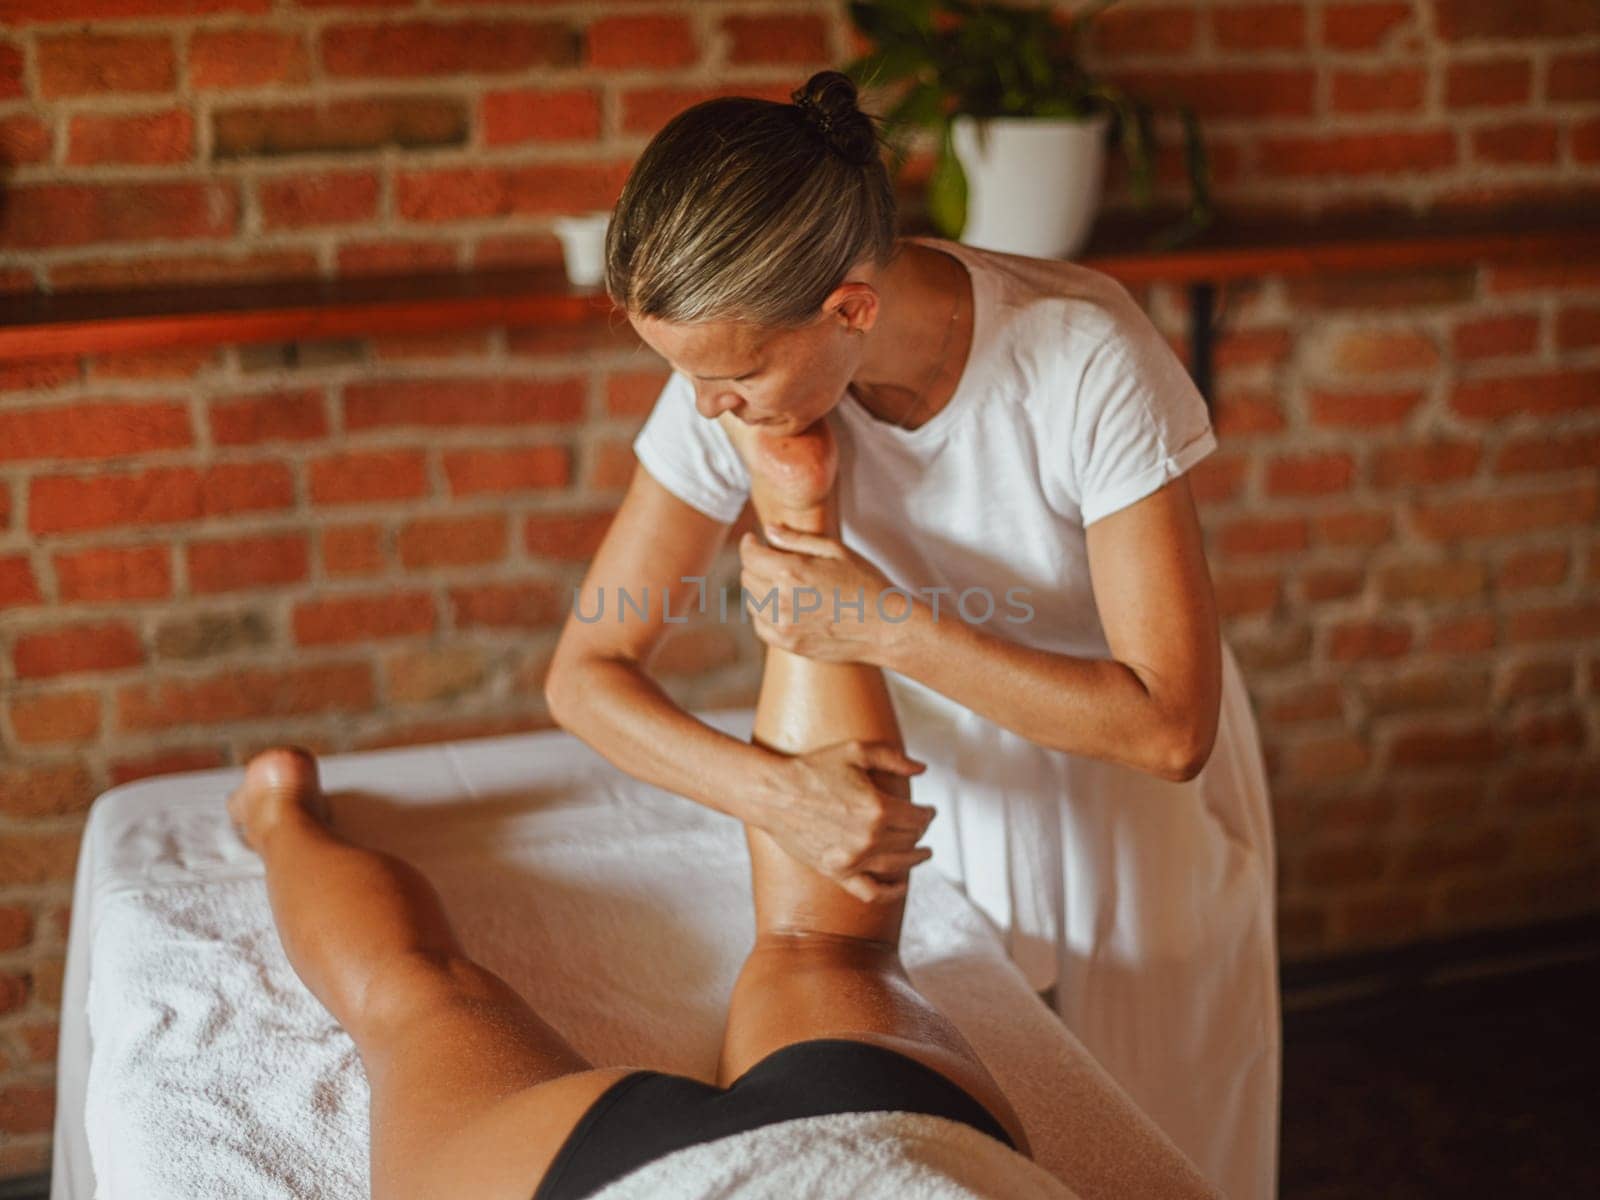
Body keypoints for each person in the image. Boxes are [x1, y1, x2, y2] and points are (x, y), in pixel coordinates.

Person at [544, 70, 1280, 1200]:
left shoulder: (1083, 360)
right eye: (681, 375)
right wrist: (777, 794)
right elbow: (587, 674)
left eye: (730, 378)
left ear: (849, 308)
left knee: (1156, 1157)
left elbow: (1168, 725)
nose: (704, 411)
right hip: (929, 809)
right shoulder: (734, 368)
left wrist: (882, 627)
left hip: (1128, 826)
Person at [224, 416, 1102, 1199]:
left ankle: (280, 815)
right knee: (421, 995)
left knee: (427, 998)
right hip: (840, 1151)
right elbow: (582, 680)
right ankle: (280, 813)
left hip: (872, 1154)